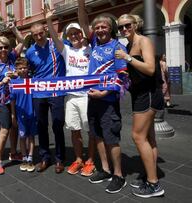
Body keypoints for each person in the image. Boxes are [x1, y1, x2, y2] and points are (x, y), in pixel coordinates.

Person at [78, 0, 127, 193]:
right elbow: (83, 22)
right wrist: (80, 3)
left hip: (108, 101)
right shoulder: (94, 43)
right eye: (97, 27)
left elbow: (122, 77)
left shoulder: (117, 47)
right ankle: (105, 169)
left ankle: (118, 175)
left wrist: (104, 92)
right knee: (97, 136)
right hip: (92, 100)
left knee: (111, 138)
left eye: (103, 27)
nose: (99, 30)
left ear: (111, 29)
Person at [115, 14, 165, 198]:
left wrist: (127, 58)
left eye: (127, 25)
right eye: (120, 27)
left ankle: (154, 184)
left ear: (135, 25)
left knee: (138, 136)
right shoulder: (129, 45)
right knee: (149, 137)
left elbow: (150, 69)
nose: (123, 29)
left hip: (149, 94)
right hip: (140, 94)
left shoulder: (143, 41)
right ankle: (150, 174)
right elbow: (136, 70)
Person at [43, 6, 95, 176]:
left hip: (87, 96)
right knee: (74, 129)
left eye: (77, 33)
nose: (74, 36)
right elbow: (52, 35)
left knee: (90, 130)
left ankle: (91, 160)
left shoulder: (90, 48)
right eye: (71, 34)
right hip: (71, 97)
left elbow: (84, 21)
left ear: (82, 34)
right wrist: (49, 20)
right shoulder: (66, 50)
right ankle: (79, 159)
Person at [26, 22, 66, 174]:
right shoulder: (30, 52)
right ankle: (45, 158)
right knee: (41, 126)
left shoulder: (56, 44)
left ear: (45, 31)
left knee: (57, 125)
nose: (38, 37)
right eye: (35, 35)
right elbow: (28, 70)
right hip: (38, 93)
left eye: (40, 33)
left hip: (57, 92)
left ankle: (60, 159)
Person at [0, 23, 25, 175]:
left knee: (15, 127)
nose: (3, 50)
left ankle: (14, 152)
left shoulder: (12, 57)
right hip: (3, 101)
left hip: (16, 99)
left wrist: (14, 29)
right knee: (4, 131)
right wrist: (1, 82)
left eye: (6, 47)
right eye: (0, 48)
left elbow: (22, 42)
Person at [10, 57, 37, 172]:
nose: (23, 70)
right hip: (20, 114)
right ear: (16, 69)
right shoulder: (14, 83)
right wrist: (13, 115)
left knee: (31, 136)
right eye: (20, 68)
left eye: (25, 67)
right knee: (22, 137)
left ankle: (30, 158)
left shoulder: (33, 81)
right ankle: (24, 157)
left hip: (32, 114)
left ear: (28, 68)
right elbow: (12, 100)